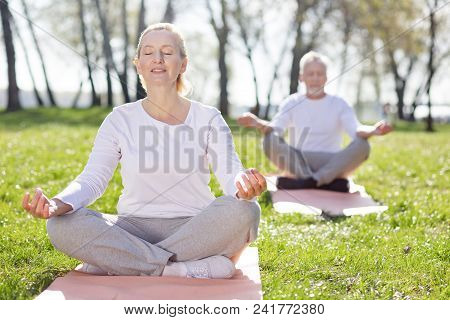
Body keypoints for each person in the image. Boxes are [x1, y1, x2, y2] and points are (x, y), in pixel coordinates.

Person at [21, 23, 266, 279]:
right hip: (131, 228)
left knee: (246, 210)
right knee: (61, 223)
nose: (158, 59)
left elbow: (230, 172)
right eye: (148, 52)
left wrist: (243, 185)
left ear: (183, 64)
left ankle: (121, 262)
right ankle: (179, 269)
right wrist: (57, 203)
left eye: (167, 52)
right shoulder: (119, 119)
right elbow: (92, 179)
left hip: (194, 227)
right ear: (138, 64)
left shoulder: (209, 117)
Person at [237, 51, 392, 192]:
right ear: (301, 77)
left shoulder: (339, 103)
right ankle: (325, 183)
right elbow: (275, 128)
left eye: (319, 74)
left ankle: (309, 181)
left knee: (363, 144)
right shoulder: (291, 102)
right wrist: (257, 122)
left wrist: (373, 130)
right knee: (269, 139)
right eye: (310, 74)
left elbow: (356, 130)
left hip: (331, 162)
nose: (315, 78)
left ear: (326, 77)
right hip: (298, 162)